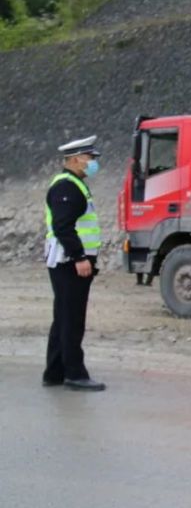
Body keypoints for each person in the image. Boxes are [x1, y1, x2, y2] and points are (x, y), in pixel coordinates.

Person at [43, 136, 106, 391]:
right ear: (75, 159)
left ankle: (55, 371)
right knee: (71, 318)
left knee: (63, 316)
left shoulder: (74, 184)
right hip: (69, 261)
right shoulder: (67, 187)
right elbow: (62, 227)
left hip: (68, 260)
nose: (93, 163)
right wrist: (79, 257)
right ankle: (74, 374)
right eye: (90, 158)